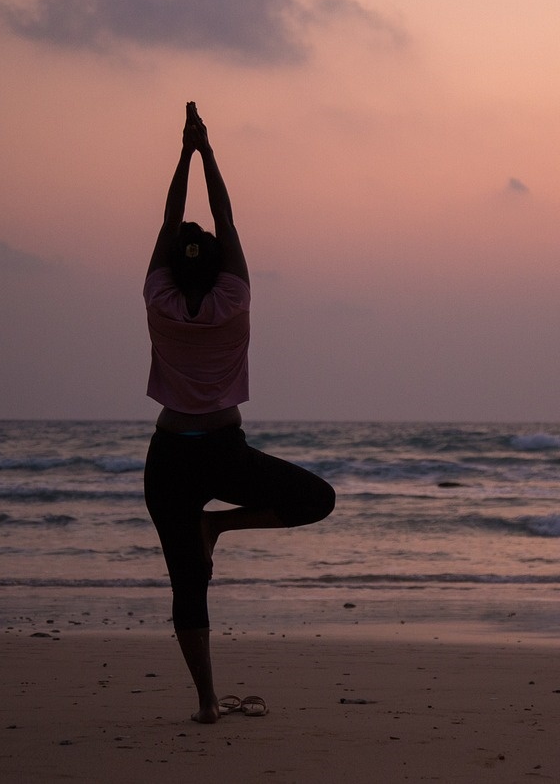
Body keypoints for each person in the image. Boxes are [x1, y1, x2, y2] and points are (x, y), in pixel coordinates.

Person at [143, 102, 335, 724]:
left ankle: (206, 701)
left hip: (170, 456)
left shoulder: (160, 300)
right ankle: (220, 528)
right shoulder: (235, 298)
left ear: (171, 266)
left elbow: (173, 219)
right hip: (223, 453)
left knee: (187, 588)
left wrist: (183, 153)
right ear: (220, 265)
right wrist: (205, 150)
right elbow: (223, 217)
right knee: (317, 499)